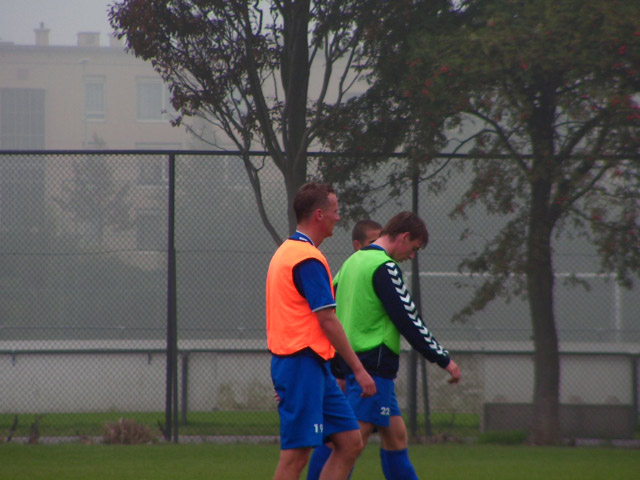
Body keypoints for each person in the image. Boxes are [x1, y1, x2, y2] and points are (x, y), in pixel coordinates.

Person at [310, 211, 461, 480]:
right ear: (403, 237)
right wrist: (443, 359)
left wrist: (336, 365)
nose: (412, 256)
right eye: (414, 248)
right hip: (371, 371)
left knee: (396, 436)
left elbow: (330, 312)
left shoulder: (352, 262)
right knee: (347, 445)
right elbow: (408, 319)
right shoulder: (385, 267)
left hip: (354, 367)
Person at [266, 182, 376, 480]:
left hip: (311, 366)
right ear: (318, 215)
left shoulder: (286, 252)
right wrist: (358, 369)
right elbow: (327, 320)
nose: (338, 218)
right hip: (300, 364)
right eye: (335, 211)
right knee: (296, 457)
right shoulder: (307, 259)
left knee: (350, 442)